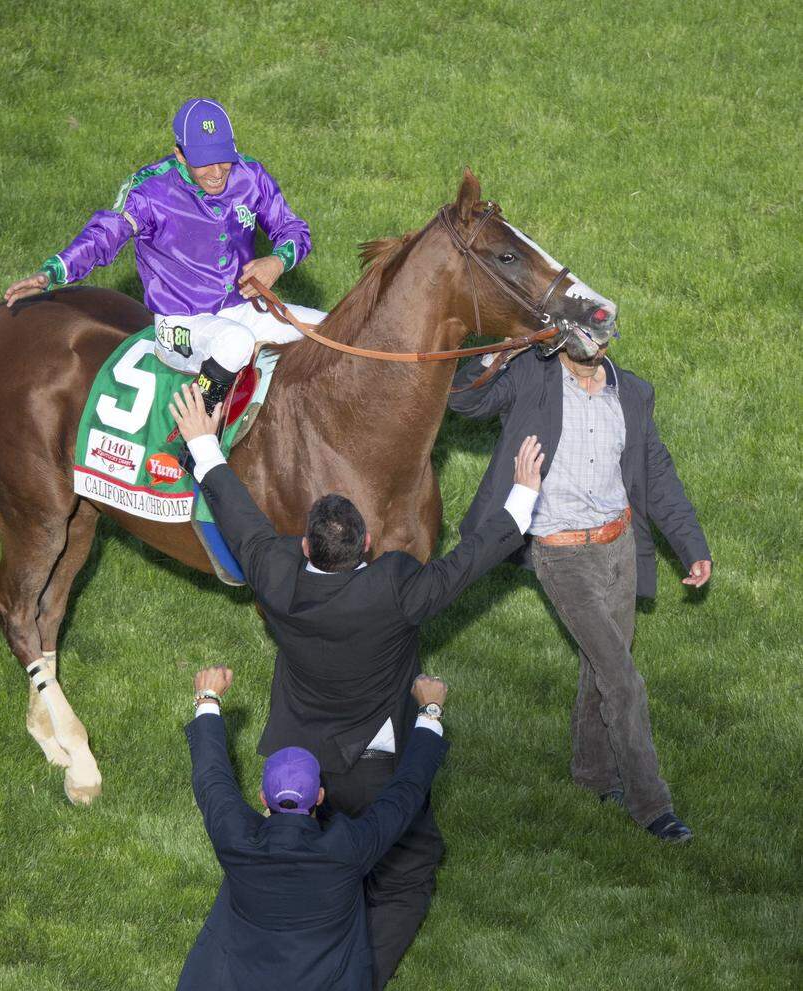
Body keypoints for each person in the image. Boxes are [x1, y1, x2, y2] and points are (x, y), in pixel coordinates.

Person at [169, 384, 545, 988]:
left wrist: (203, 445)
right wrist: (522, 496)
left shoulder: (276, 574)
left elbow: (241, 522)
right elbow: (467, 563)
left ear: (304, 546)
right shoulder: (396, 588)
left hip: (297, 755)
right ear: (367, 544)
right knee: (410, 866)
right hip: (375, 765)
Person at [447, 341, 711, 843]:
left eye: (601, 337)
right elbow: (463, 399)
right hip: (561, 553)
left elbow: (657, 473)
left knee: (601, 668)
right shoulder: (531, 377)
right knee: (623, 680)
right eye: (584, 337)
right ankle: (651, 804)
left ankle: (592, 774)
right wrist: (502, 351)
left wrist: (691, 545)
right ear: (564, 336)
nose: (593, 347)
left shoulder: (631, 392)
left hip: (620, 548)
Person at [4, 97, 326, 418]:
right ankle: (192, 435)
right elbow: (104, 235)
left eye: (223, 159)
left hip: (245, 309)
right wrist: (53, 273)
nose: (217, 172)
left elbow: (293, 229)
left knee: (329, 331)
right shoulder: (149, 191)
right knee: (234, 343)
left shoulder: (251, 175)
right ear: (180, 154)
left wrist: (277, 261)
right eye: (204, 162)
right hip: (179, 324)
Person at [178, 664, 450, 991]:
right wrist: (430, 712)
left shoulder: (235, 838)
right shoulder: (347, 848)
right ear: (320, 796)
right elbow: (404, 793)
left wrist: (208, 698)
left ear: (263, 797)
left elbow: (211, 778)